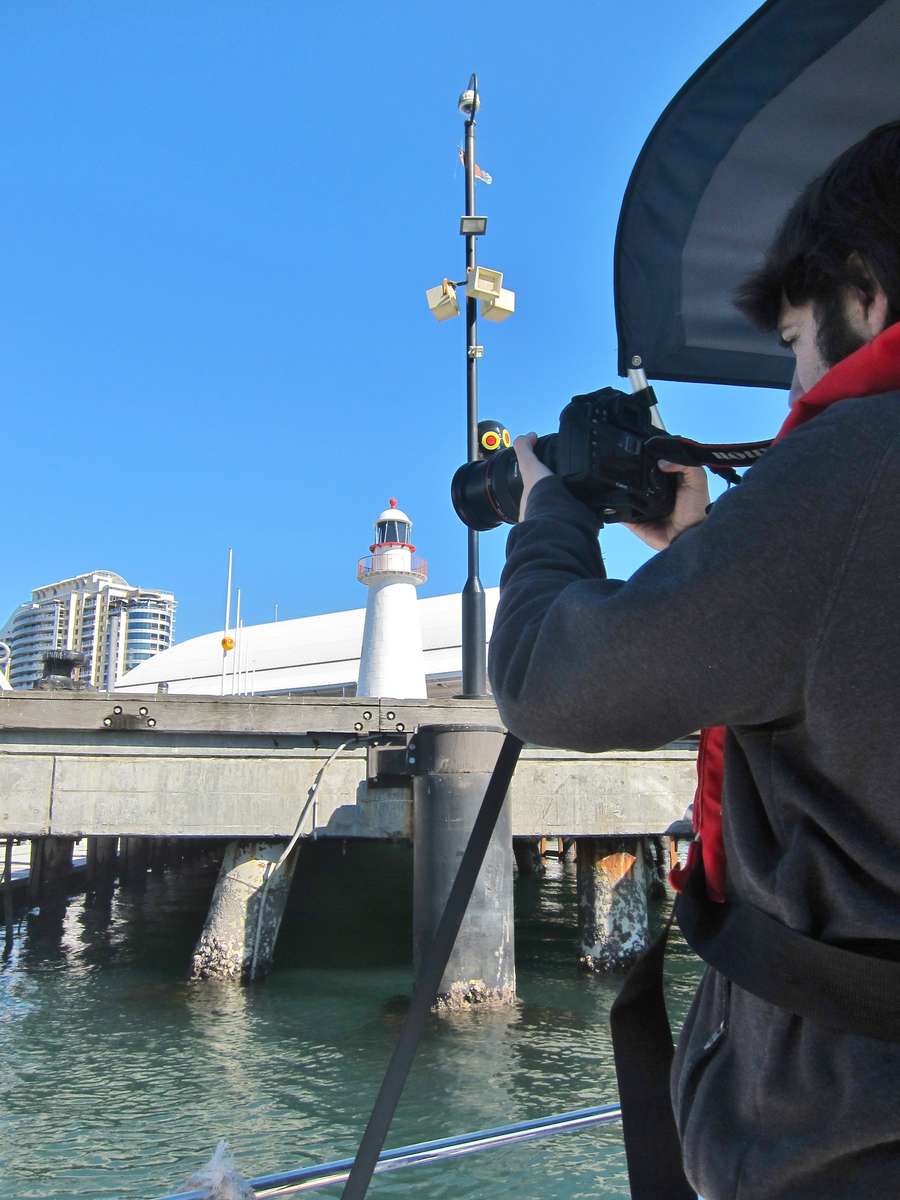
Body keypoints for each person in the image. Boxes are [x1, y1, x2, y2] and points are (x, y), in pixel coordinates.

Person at [488, 121, 900, 1200]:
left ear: (867, 296)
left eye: (797, 346)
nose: (792, 391)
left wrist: (547, 512)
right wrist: (712, 555)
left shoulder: (861, 460)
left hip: (846, 1141)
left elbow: (543, 676)